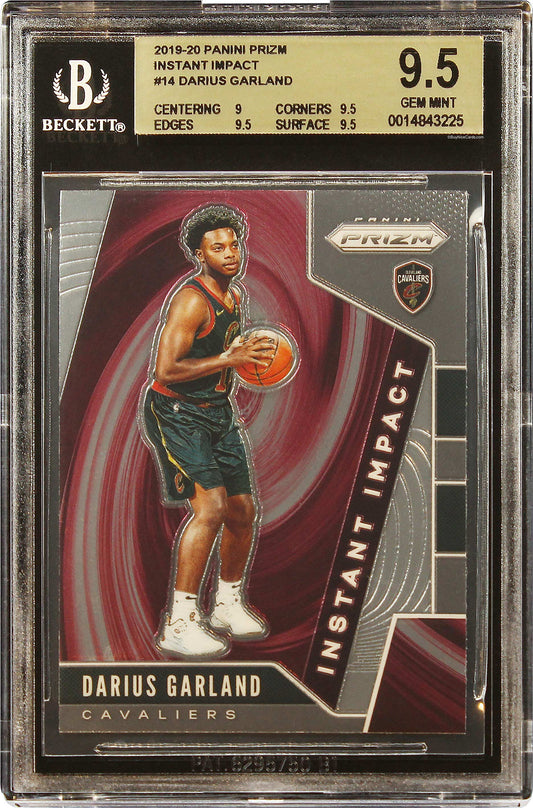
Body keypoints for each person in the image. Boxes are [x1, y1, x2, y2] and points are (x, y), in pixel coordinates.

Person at [139, 204, 274, 658]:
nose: (231, 253)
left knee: (243, 509)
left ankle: (227, 605)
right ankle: (179, 622)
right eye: (219, 247)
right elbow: (166, 369)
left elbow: (220, 353)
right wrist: (229, 359)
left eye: (235, 244)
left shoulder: (234, 296)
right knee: (211, 508)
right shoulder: (192, 300)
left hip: (217, 411)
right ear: (200, 254)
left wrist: (244, 352)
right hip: (176, 411)